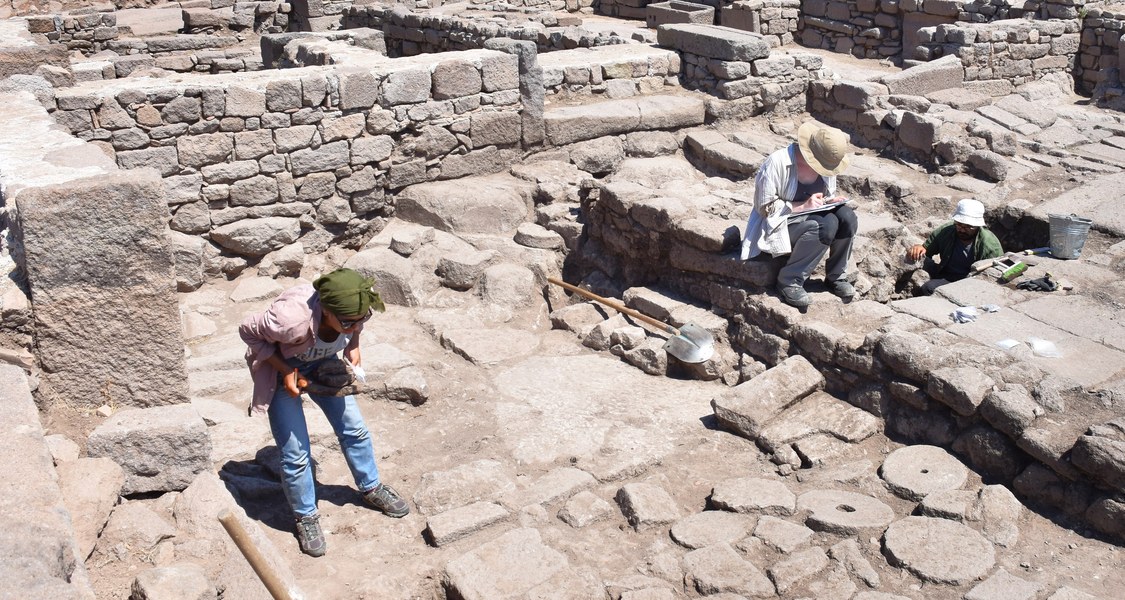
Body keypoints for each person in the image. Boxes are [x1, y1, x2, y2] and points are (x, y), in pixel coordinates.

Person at [239, 268, 409, 557]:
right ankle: (305, 515)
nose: (354, 327)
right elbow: (247, 331)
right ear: (326, 310)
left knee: (354, 429)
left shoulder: (353, 312)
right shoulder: (290, 321)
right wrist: (288, 371)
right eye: (347, 323)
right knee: (295, 454)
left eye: (361, 320)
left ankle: (371, 487)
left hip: (321, 363)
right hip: (282, 372)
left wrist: (353, 345)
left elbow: (356, 321)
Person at [740, 121, 859, 309]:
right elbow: (764, 208)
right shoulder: (777, 163)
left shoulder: (826, 164)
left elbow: (822, 198)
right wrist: (802, 205)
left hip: (809, 216)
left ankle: (836, 276)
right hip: (777, 224)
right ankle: (790, 281)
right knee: (825, 227)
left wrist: (830, 202)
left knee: (847, 218)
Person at [905, 198, 1003, 294]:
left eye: (969, 227)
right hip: (944, 271)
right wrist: (919, 248)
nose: (962, 230)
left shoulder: (990, 244)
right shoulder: (947, 230)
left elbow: (993, 274)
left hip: (966, 281)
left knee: (928, 288)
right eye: (959, 225)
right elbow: (926, 250)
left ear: (977, 226)